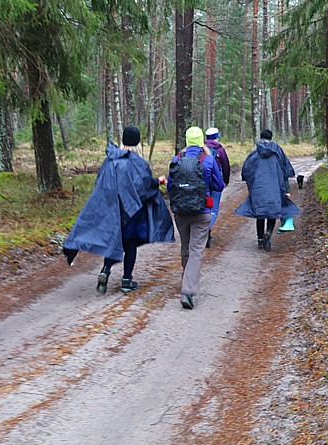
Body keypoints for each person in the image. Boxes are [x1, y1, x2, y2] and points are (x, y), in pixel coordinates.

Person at [63, 126, 174, 294]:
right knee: (130, 245)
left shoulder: (110, 160)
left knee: (115, 241)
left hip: (112, 210)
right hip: (131, 211)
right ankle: (126, 280)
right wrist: (156, 182)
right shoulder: (138, 163)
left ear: (123, 140)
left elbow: (102, 184)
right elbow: (143, 187)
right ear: (137, 142)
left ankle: (105, 272)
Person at [167, 126, 225, 310]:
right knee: (196, 251)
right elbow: (219, 185)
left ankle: (187, 279)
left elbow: (170, 187)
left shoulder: (176, 159)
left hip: (180, 212)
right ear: (201, 141)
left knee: (186, 247)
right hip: (202, 212)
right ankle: (188, 290)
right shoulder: (208, 159)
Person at [234, 128, 300, 250]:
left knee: (260, 212)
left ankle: (260, 239)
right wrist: (286, 190)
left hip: (258, 187)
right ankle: (268, 233)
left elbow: (246, 171)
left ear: (261, 138)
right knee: (273, 212)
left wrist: (251, 183)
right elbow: (286, 171)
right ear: (271, 138)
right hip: (275, 187)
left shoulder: (254, 154)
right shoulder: (278, 152)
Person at [203, 127, 231, 247]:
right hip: (215, 182)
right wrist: (225, 181)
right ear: (217, 136)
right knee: (213, 209)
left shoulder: (201, 149)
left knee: (203, 207)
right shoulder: (220, 150)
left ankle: (204, 231)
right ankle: (206, 229)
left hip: (202, 183)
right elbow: (226, 166)